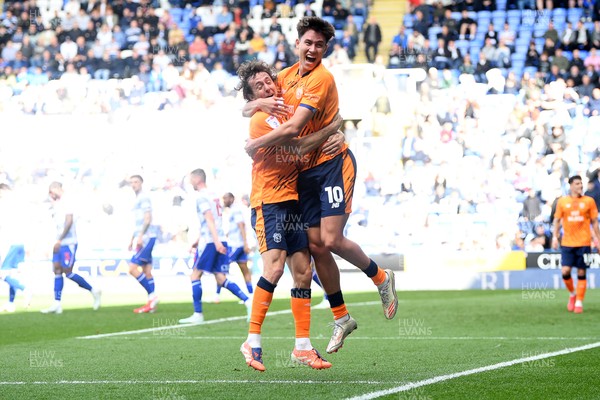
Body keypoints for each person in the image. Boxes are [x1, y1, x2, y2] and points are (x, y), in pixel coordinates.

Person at [243, 16, 398, 355]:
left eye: (319, 45)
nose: (312, 49)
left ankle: (380, 278)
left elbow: (295, 136)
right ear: (297, 43)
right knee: (315, 246)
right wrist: (257, 103)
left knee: (329, 238)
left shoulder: (322, 78)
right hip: (304, 174)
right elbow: (247, 106)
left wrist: (331, 130)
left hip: (331, 164)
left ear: (325, 49)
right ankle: (341, 316)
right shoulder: (281, 77)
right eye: (308, 43)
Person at [235, 59, 345, 371]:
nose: (268, 87)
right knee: (273, 269)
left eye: (268, 81)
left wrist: (334, 137)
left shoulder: (284, 102)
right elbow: (297, 146)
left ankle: (302, 347)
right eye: (259, 87)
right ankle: (252, 340)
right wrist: (331, 128)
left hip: (293, 200)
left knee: (302, 270)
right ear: (253, 96)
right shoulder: (260, 118)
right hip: (269, 201)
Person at [178, 169, 252, 325]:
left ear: (198, 179)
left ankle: (198, 314)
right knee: (220, 277)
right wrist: (200, 240)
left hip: (211, 241)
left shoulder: (201, 197)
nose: (190, 182)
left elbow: (209, 219)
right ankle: (247, 301)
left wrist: (215, 241)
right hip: (217, 239)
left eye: (191, 179)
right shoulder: (214, 196)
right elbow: (213, 221)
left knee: (195, 275)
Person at [41, 182, 101, 314]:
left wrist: (59, 239)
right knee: (56, 270)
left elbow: (69, 221)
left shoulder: (68, 200)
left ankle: (94, 290)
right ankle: (57, 303)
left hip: (68, 242)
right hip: (58, 242)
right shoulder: (57, 204)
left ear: (56, 189)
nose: (51, 196)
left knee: (68, 271)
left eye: (51, 192)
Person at [552, 175, 600, 314]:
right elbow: (557, 220)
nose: (580, 186)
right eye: (577, 184)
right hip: (567, 243)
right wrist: (555, 237)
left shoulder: (589, 201)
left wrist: (598, 240)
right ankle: (572, 294)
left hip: (584, 242)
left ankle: (579, 301)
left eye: (581, 183)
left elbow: (595, 222)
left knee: (581, 272)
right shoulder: (562, 202)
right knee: (565, 271)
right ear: (571, 186)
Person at [128, 175, 160, 314]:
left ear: (141, 183)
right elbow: (138, 222)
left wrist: (140, 236)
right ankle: (151, 303)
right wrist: (132, 238)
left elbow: (148, 218)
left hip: (147, 237)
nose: (133, 184)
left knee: (132, 268)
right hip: (143, 236)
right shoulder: (137, 199)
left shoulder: (144, 197)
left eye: (136, 182)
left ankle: (153, 297)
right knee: (147, 271)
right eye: (132, 182)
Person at [0, 183, 31, 312]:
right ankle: (11, 303)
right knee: (10, 272)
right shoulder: (17, 204)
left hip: (11, 243)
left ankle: (25, 289)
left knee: (2, 273)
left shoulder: (5, 205)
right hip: (19, 242)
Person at [217, 192, 253, 302]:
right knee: (245, 270)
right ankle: (251, 295)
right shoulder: (234, 209)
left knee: (220, 268)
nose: (224, 201)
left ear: (232, 198)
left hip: (235, 245)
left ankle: (216, 295)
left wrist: (245, 243)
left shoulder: (235, 210)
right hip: (239, 244)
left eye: (225, 198)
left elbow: (241, 225)